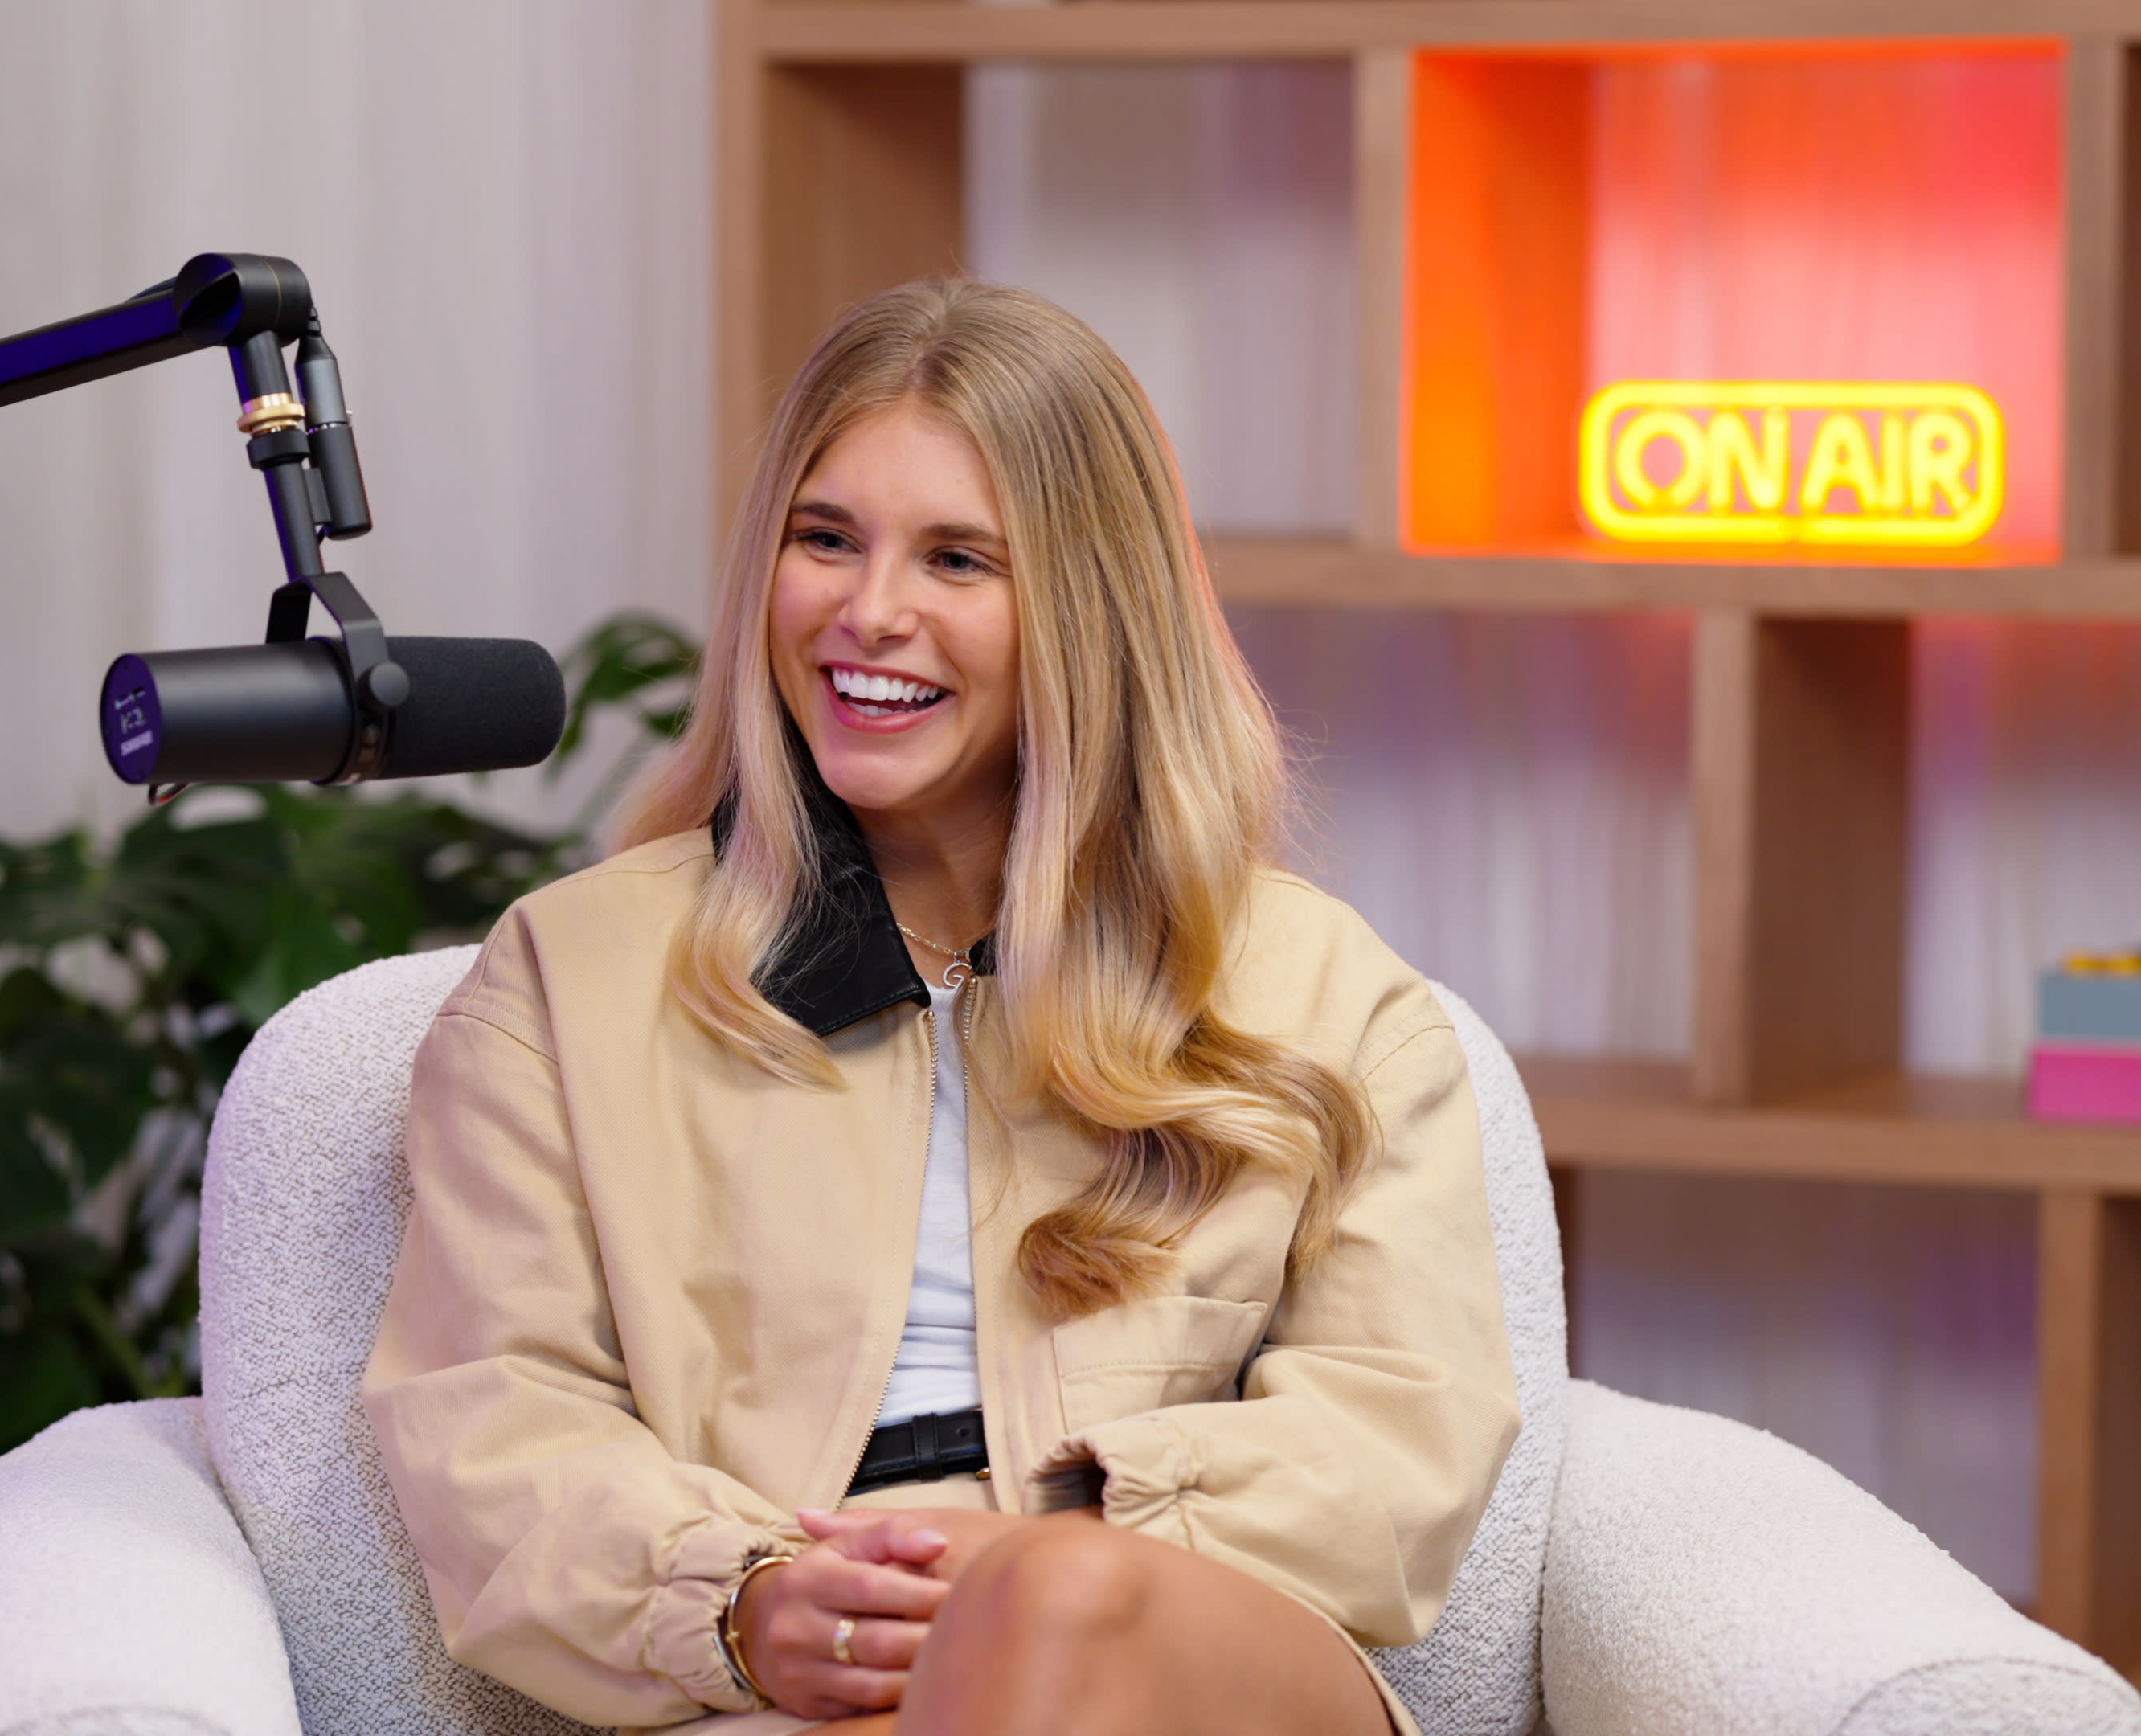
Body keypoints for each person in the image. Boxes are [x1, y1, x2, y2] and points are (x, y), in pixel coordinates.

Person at [362, 280, 1517, 1735]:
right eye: (824, 539)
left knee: (1045, 1611)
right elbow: (491, 1417)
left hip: (1190, 1653)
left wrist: (1063, 1541)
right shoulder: (564, 982)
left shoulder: (1326, 996)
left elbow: (1405, 1436)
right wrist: (747, 1599)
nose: (870, 614)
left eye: (960, 560)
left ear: (1092, 611)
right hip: (799, 1679)